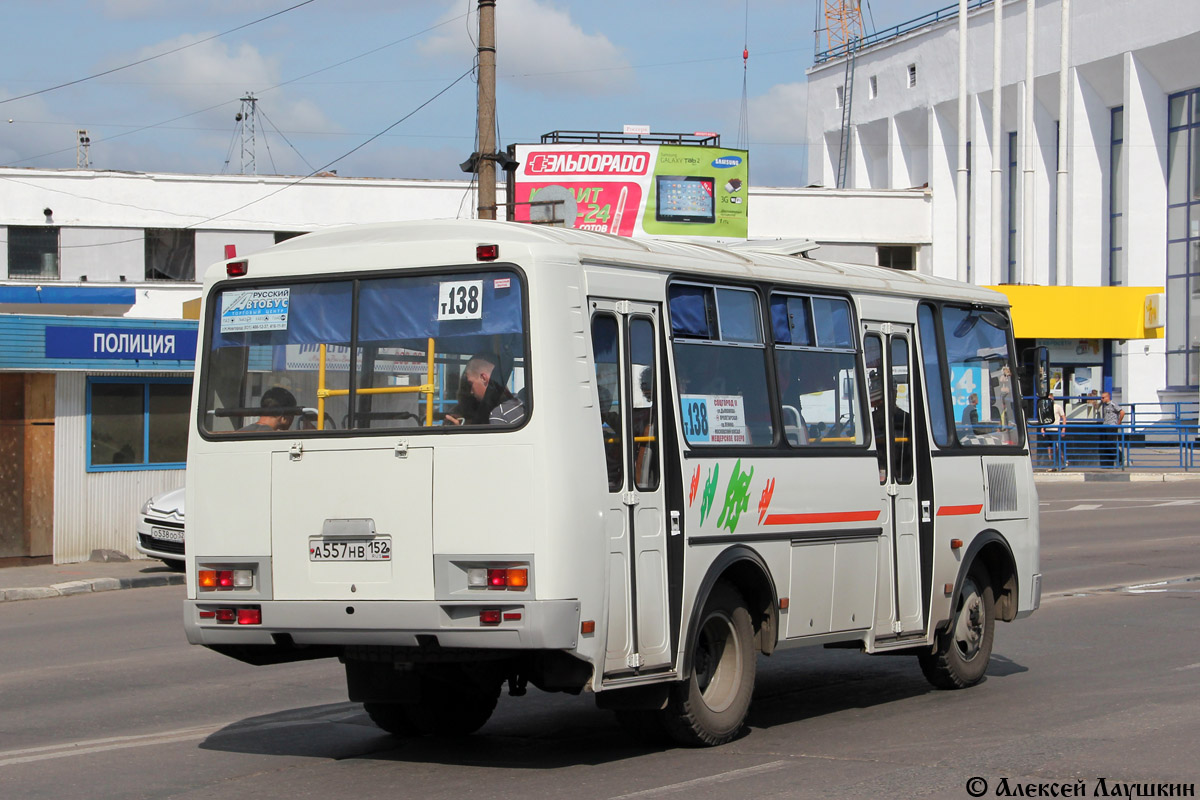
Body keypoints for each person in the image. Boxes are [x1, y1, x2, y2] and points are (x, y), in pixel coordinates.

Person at [444, 353, 526, 426]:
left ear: (483, 378)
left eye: (471, 383)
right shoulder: (520, 404)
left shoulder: (499, 415)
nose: (471, 392)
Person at [1098, 391, 1125, 467]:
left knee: (1111, 443)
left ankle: (1120, 457)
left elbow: (1122, 412)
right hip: (1106, 425)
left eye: (1103, 397)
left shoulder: (1113, 404)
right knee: (1107, 443)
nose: (1101, 399)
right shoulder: (1104, 405)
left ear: (1107, 397)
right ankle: (1115, 458)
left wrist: (1119, 422)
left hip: (1112, 425)